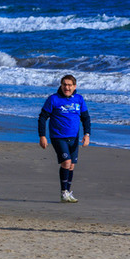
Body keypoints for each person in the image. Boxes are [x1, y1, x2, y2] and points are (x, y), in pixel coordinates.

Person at [38, 74, 91, 203]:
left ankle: (67, 192)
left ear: (74, 86)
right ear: (61, 86)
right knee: (66, 163)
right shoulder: (53, 99)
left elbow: (85, 118)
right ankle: (63, 193)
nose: (67, 87)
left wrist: (87, 134)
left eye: (69, 85)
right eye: (64, 85)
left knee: (71, 165)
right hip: (58, 137)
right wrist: (42, 136)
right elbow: (42, 117)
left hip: (74, 138)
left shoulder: (79, 99)